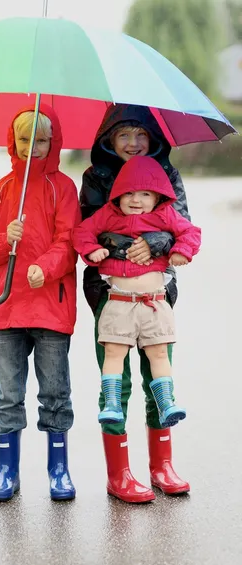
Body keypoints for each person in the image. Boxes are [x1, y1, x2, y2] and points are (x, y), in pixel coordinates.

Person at [79, 104, 192, 502]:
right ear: (108, 138)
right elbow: (89, 227)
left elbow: (182, 225)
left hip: (157, 287)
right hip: (109, 289)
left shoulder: (168, 175)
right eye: (124, 134)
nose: (133, 142)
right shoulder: (96, 177)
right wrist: (132, 248)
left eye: (141, 134)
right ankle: (119, 471)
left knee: (158, 368)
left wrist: (158, 244)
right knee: (116, 376)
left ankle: (162, 464)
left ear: (154, 138)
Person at [0, 104, 81, 502]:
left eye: (41, 139)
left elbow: (69, 244)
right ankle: (7, 471)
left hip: (50, 307)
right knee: (8, 395)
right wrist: (5, 238)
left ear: (53, 143)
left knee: (55, 392)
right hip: (8, 308)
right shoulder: (1, 191)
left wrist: (45, 268)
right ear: (11, 141)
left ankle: (59, 469)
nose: (32, 146)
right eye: (24, 138)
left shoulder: (63, 188)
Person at [74, 154, 201, 429]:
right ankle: (111, 403)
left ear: (158, 197)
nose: (136, 200)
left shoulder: (165, 215)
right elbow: (82, 232)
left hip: (154, 302)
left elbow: (191, 233)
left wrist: (179, 250)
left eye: (145, 194)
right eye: (128, 192)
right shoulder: (108, 214)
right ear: (117, 194)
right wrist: (93, 249)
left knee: (158, 353)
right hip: (118, 301)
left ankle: (166, 402)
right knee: (114, 352)